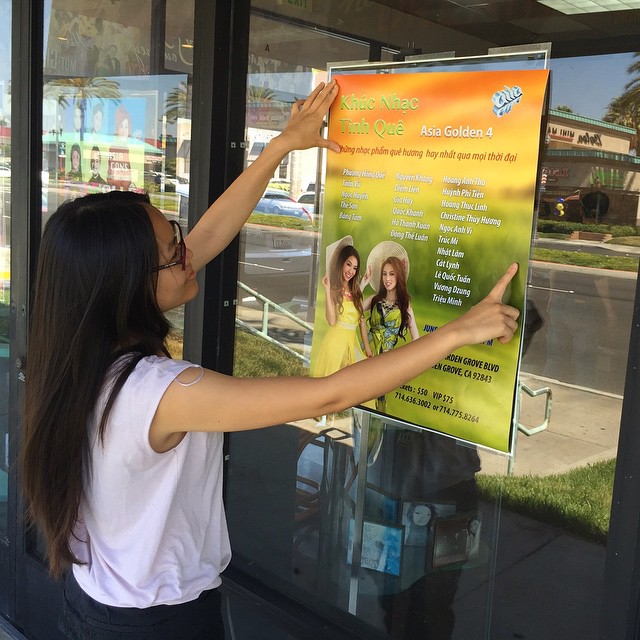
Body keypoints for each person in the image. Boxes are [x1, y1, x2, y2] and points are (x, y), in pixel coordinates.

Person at [20, 80, 519, 640]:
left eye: (176, 234)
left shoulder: (74, 356)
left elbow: (211, 232)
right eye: (172, 252)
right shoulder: (157, 392)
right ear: (126, 284)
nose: (187, 252)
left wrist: (281, 145)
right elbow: (329, 393)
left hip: (95, 603)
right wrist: (458, 332)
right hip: (156, 625)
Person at [363, 254, 420, 411]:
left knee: (379, 400)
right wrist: (363, 284)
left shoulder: (404, 305)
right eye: (384, 274)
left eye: (392, 274)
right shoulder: (375, 299)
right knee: (360, 397)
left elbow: (416, 338)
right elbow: (352, 310)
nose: (387, 278)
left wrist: (401, 359)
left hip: (386, 360)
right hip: (366, 353)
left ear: (399, 276)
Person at [310, 243, 372, 378]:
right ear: (341, 263)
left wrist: (367, 348)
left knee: (356, 381)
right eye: (348, 264)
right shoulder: (334, 290)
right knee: (331, 383)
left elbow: (360, 320)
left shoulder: (355, 292)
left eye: (355, 268)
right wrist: (327, 290)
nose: (351, 271)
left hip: (351, 343)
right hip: (335, 344)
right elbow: (331, 321)